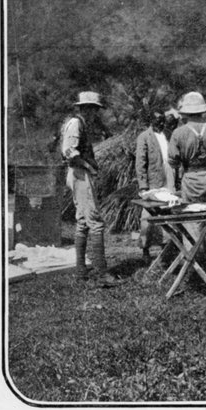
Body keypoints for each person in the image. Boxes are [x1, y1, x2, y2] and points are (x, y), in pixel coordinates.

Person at [61, 91, 118, 286]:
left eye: (96, 110)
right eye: (93, 109)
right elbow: (69, 151)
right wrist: (89, 166)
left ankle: (81, 270)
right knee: (95, 221)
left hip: (80, 173)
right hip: (79, 173)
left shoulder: (82, 124)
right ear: (85, 108)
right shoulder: (76, 123)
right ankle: (101, 273)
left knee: (83, 221)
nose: (95, 113)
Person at [168, 91, 206, 273]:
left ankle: (195, 269)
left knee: (192, 224)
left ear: (185, 113)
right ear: (203, 111)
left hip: (192, 182)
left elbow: (172, 162)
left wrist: (172, 188)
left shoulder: (178, 133)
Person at [135, 109, 176, 264]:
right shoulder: (144, 137)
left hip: (168, 177)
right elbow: (140, 163)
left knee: (168, 212)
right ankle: (145, 249)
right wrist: (143, 186)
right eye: (157, 119)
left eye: (162, 119)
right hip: (153, 180)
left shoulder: (168, 134)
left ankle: (166, 250)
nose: (160, 122)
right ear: (151, 120)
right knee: (148, 216)